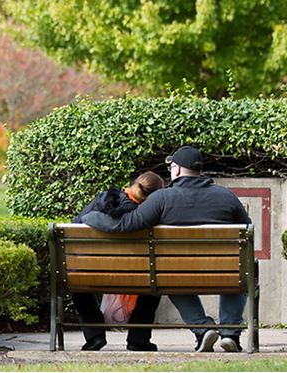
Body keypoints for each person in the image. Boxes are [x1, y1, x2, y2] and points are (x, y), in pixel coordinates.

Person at [82, 146, 251, 353]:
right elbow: (247, 231)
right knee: (240, 272)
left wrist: (88, 217)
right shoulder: (227, 196)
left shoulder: (161, 198)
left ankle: (201, 329)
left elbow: (125, 224)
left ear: (177, 170)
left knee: (168, 277)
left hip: (178, 274)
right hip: (223, 272)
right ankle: (230, 332)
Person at [73, 171, 164, 352]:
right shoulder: (147, 215)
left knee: (78, 286)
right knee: (154, 285)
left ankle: (94, 336)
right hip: (136, 275)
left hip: (93, 270)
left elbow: (76, 223)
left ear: (135, 184)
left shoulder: (101, 202)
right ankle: (139, 339)